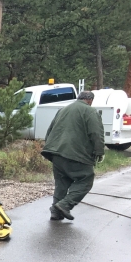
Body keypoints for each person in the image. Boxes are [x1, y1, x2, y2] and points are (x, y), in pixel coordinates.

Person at [41, 90, 104, 221]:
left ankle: (55, 211)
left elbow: (50, 131)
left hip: (56, 153)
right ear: (90, 101)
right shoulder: (90, 111)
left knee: (62, 182)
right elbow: (96, 134)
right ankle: (65, 205)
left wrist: (50, 147)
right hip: (75, 154)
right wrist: (99, 152)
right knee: (86, 180)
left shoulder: (63, 110)